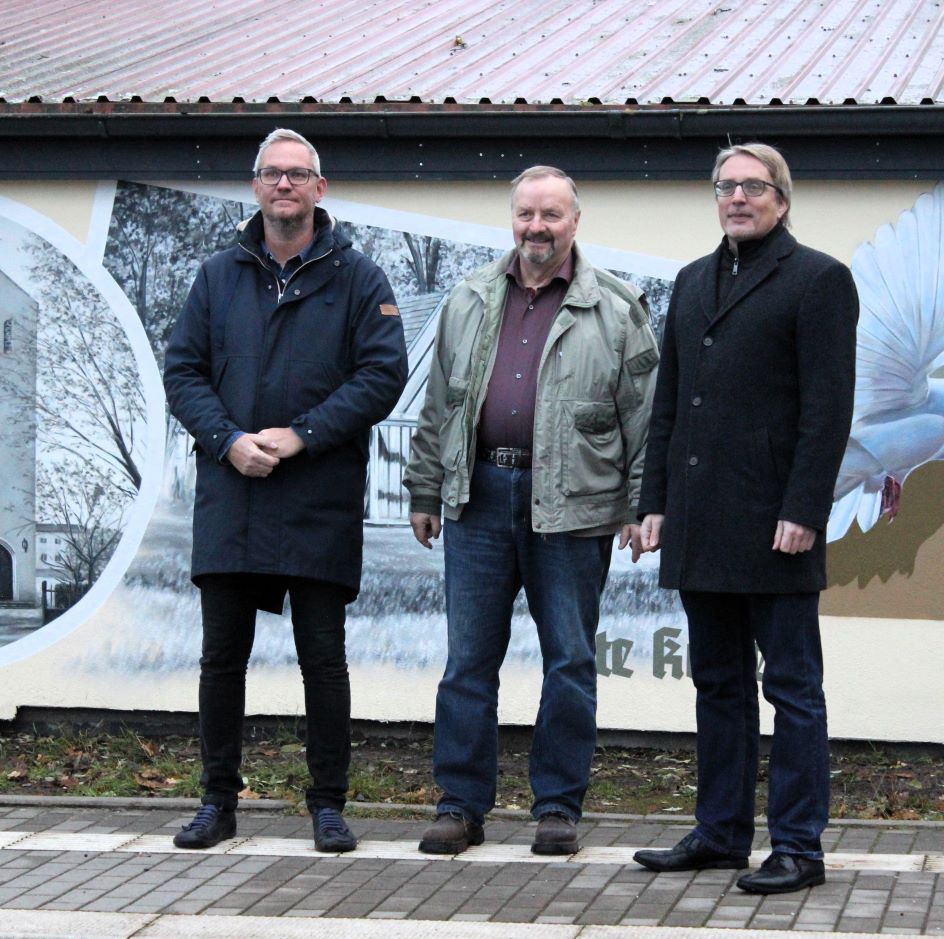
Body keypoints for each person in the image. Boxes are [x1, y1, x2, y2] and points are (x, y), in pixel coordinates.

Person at [163, 128, 407, 853]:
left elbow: (382, 376)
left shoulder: (360, 278)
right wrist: (227, 440)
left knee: (322, 660)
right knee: (221, 660)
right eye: (272, 174)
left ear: (319, 188)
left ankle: (328, 805)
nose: (284, 185)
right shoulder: (217, 276)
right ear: (255, 186)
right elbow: (183, 372)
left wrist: (303, 434)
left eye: (298, 174)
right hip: (232, 494)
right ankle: (217, 802)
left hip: (318, 495)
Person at [403, 166, 659, 856]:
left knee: (569, 660)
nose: (536, 227)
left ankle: (557, 808)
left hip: (574, 508)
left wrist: (641, 506)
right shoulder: (469, 298)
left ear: (575, 221)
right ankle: (460, 806)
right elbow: (440, 405)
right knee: (467, 662)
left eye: (550, 215)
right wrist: (425, 490)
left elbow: (645, 418)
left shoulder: (617, 308)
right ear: (512, 219)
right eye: (526, 214)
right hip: (479, 497)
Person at [633, 143, 858, 893]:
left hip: (775, 524)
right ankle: (721, 833)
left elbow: (827, 410)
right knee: (717, 685)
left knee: (792, 689)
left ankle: (798, 847)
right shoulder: (691, 281)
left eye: (753, 187)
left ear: (781, 200)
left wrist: (805, 509)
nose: (737, 197)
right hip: (700, 521)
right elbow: (670, 403)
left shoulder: (819, 279)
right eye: (725, 186)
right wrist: (654, 502)